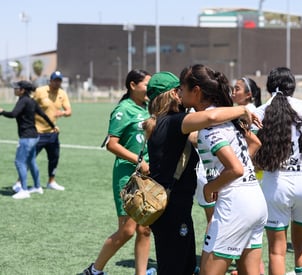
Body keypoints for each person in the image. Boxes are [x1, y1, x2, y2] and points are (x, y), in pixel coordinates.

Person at [143, 71, 257, 275]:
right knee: (174, 269)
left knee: (184, 267)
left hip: (176, 208)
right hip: (172, 209)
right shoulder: (173, 122)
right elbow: (211, 116)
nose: (182, 92)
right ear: (172, 95)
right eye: (179, 89)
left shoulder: (165, 122)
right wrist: (241, 109)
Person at [179, 64, 267, 275]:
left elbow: (235, 169)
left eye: (182, 87)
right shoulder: (229, 119)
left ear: (197, 91)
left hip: (235, 205)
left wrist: (211, 187)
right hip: (255, 199)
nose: (180, 93)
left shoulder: (210, 127)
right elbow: (254, 144)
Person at [252, 67, 302, 275]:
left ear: (269, 87)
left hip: (276, 183)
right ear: (292, 86)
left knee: (277, 251)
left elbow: (249, 148)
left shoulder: (261, 111)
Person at [83, 69, 152, 275]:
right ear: (132, 85)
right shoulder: (123, 109)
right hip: (128, 175)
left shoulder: (150, 107)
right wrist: (137, 160)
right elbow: (112, 144)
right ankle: (94, 271)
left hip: (149, 176)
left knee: (145, 229)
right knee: (127, 230)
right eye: (146, 84)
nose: (150, 88)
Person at [13, 71, 72, 192]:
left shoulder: (62, 93)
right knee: (30, 158)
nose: (57, 82)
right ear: (50, 81)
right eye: (55, 80)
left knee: (54, 158)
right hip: (37, 132)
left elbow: (69, 111)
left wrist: (63, 113)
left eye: (59, 80)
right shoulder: (40, 91)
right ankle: (19, 182)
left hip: (52, 133)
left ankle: (51, 181)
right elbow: (26, 103)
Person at [0, 81, 57, 199]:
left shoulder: (22, 101)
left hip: (26, 138)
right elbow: (43, 115)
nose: (14, 90)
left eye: (16, 88)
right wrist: (53, 126)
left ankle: (24, 190)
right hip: (35, 136)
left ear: (22, 90)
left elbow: (13, 114)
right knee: (31, 162)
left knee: (19, 162)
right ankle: (37, 187)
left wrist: (2, 112)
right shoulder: (31, 101)